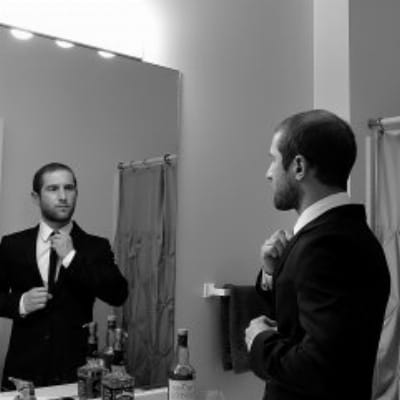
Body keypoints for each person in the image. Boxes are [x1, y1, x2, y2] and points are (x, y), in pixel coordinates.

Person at [245, 110, 390, 400]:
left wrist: (260, 342)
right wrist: (272, 273)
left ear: (298, 166)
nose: (268, 173)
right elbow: (302, 326)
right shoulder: (341, 234)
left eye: (273, 159)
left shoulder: (327, 246)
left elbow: (321, 368)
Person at [0, 162, 128, 389]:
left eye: (69, 188)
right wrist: (21, 303)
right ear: (36, 197)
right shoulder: (12, 245)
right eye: (53, 189)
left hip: (77, 373)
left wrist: (71, 257)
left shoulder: (95, 247)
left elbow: (118, 294)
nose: (62, 196)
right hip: (23, 372)